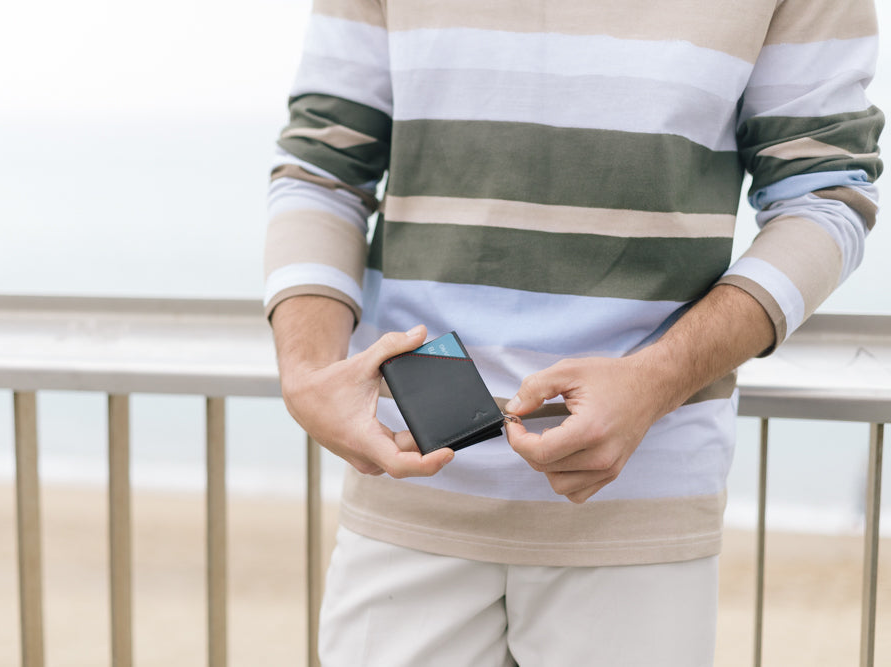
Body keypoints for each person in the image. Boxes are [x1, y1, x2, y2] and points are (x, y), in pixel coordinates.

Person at [264, 1, 883, 664]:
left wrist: (656, 379)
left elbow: (826, 196)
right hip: (408, 472)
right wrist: (307, 373)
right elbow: (323, 169)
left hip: (641, 496)